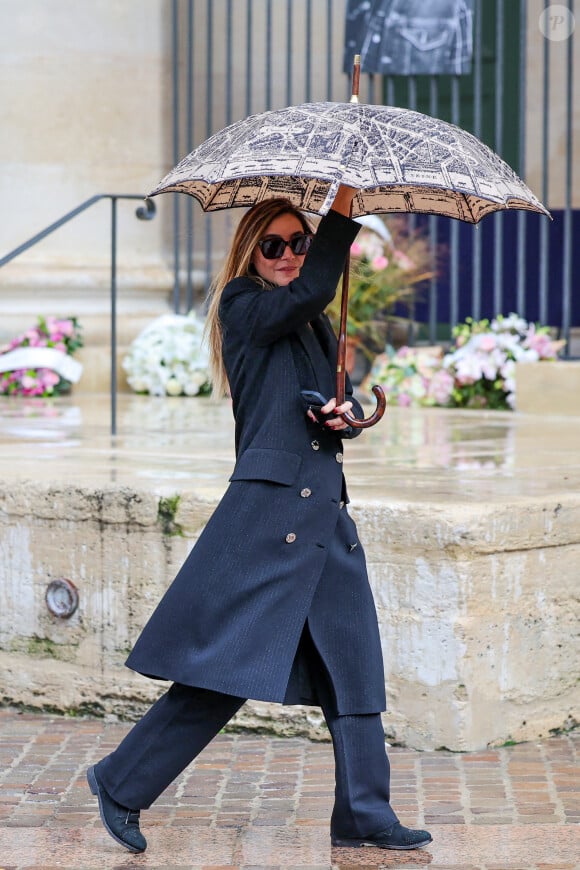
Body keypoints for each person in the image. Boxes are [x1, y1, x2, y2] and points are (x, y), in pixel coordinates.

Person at [87, 185, 432, 855]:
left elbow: (324, 398)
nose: (287, 256)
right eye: (273, 245)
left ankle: (364, 812)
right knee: (226, 670)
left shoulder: (311, 323)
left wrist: (343, 415)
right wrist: (341, 216)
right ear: (251, 253)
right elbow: (303, 298)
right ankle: (120, 783)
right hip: (266, 516)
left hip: (324, 514)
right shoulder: (244, 305)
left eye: (299, 244)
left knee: (355, 665)